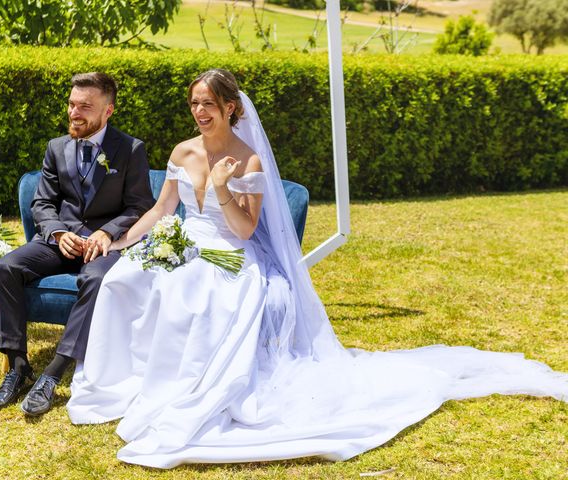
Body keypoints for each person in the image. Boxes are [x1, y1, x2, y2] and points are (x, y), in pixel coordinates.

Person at [66, 69, 568, 468]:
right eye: (194, 103)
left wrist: (221, 187)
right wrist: (117, 241)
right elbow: (159, 211)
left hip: (230, 255)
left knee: (195, 290)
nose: (199, 112)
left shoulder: (249, 162)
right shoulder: (182, 151)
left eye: (208, 104)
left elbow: (243, 232)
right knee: (125, 279)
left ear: (230, 108)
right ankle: (121, 382)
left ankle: (179, 392)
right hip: (183, 242)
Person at [0, 72, 155, 417]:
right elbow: (43, 203)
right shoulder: (56, 147)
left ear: (108, 111)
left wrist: (107, 233)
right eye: (72, 104)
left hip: (104, 246)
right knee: (5, 268)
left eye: (85, 107)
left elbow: (140, 205)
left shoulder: (131, 149)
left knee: (96, 280)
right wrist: (59, 233)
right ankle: (17, 368)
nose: (75, 113)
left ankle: (52, 374)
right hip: (61, 241)